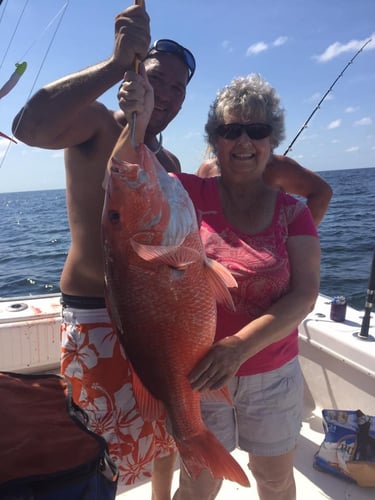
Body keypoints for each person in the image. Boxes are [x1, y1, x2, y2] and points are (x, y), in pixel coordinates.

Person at [11, 4, 196, 497]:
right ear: (138, 72)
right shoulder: (94, 124)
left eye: (180, 88)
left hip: (157, 317)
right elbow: (28, 126)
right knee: (94, 443)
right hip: (95, 315)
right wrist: (114, 63)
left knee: (163, 433)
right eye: (160, 79)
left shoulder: (169, 162)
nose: (169, 95)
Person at [110, 68, 321, 500]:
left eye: (257, 130)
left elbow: (304, 295)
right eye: (231, 130)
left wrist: (238, 346)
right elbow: (125, 174)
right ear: (215, 139)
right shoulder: (185, 194)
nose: (244, 141)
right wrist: (137, 117)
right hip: (195, 374)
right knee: (199, 481)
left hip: (272, 373)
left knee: (276, 478)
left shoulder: (293, 213)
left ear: (272, 140)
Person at [196, 153, 332, 227]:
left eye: (256, 130)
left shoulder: (277, 167)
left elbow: (322, 192)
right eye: (232, 130)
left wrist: (299, 238)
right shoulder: (207, 169)